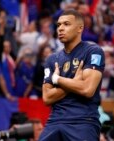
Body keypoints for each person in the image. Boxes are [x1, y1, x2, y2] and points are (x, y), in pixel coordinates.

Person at [39, 10, 105, 141]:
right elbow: (47, 98)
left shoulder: (92, 51)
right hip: (55, 121)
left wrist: (57, 79)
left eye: (66, 24)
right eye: (58, 25)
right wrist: (73, 81)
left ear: (80, 28)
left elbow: (87, 89)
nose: (61, 28)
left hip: (83, 121)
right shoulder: (52, 59)